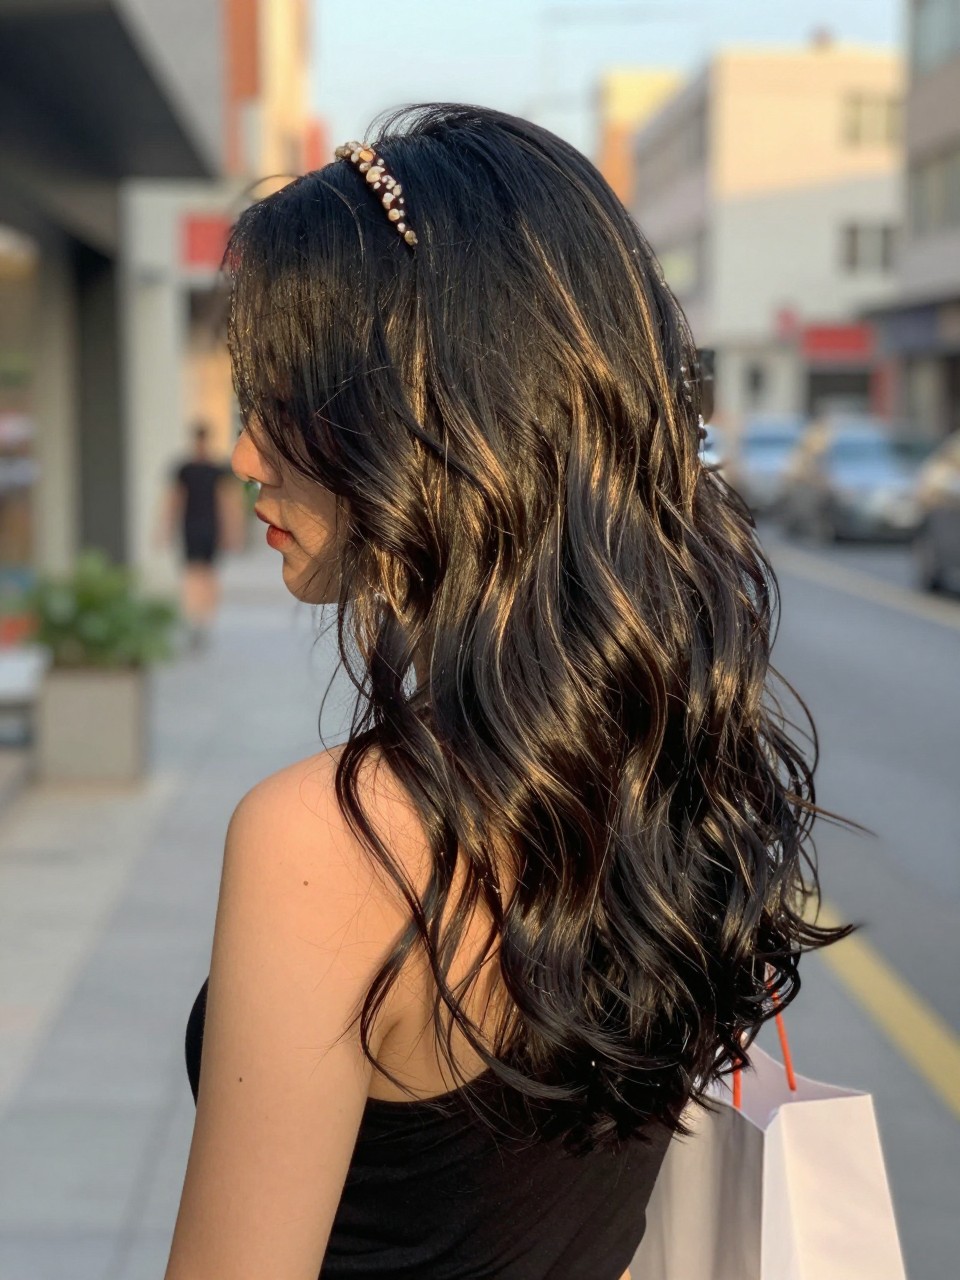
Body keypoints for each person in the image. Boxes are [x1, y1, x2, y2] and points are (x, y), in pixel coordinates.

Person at [164, 105, 855, 1280]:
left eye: (281, 399)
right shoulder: (660, 761)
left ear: (426, 421)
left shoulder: (331, 842)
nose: (244, 454)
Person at [159, 422, 244, 651]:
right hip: (190, 528)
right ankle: (194, 618)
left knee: (208, 575)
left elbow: (227, 503)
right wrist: (165, 530)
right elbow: (174, 501)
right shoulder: (183, 469)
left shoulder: (217, 469)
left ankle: (205, 619)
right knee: (193, 575)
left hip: (211, 529)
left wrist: (232, 534)